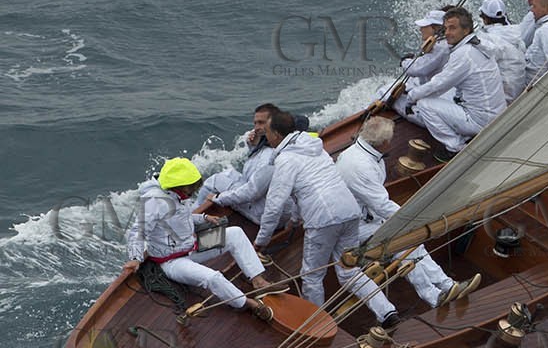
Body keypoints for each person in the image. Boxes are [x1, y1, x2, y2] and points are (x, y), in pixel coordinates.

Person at [254, 109, 398, 326]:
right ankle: (386, 311)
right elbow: (305, 187)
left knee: (312, 276)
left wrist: (261, 242)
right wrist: (294, 218)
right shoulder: (315, 147)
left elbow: (274, 206)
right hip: (349, 212)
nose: (265, 137)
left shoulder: (286, 160)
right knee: (349, 270)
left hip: (323, 219)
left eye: (267, 132)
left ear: (276, 134)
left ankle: (318, 325)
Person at [337, 117, 479, 307]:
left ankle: (445, 287)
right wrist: (413, 219)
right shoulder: (359, 166)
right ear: (384, 143)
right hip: (355, 227)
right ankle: (437, 293)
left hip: (369, 217)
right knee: (404, 244)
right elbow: (382, 205)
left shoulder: (362, 153)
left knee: (411, 244)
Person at [122, 157, 271, 319]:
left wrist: (204, 218)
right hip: (173, 262)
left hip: (192, 247)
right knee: (212, 277)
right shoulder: (153, 201)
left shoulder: (177, 196)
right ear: (178, 185)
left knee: (235, 233)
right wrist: (136, 258)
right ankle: (246, 303)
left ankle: (257, 280)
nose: (192, 191)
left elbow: (180, 218)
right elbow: (138, 231)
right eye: (190, 187)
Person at [393, 6, 507, 152]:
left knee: (424, 104)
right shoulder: (479, 45)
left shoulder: (463, 54)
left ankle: (456, 147)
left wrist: (411, 97)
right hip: (497, 114)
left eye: (452, 28)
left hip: (482, 121)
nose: (447, 33)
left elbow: (438, 84)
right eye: (445, 28)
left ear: (466, 30)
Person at [196, 103, 285, 224]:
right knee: (229, 173)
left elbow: (252, 193)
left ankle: (192, 217)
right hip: (272, 206)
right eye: (255, 123)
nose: (257, 127)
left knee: (214, 181)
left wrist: (218, 198)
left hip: (260, 213)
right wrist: (254, 146)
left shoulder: (270, 157)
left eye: (261, 123)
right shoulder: (279, 145)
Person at [477, 0, 527, 100]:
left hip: (505, 98)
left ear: (484, 18)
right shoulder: (517, 32)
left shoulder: (488, 38)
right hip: (520, 92)